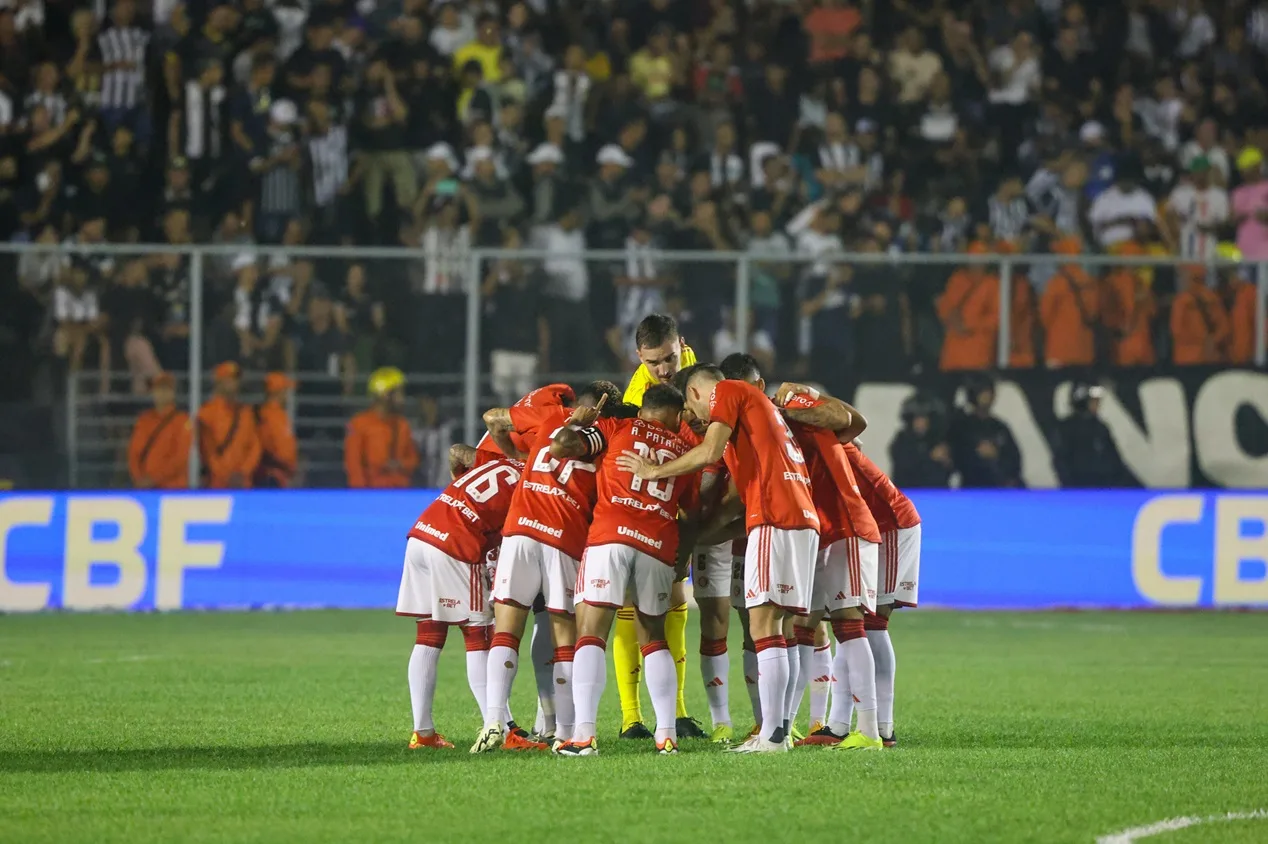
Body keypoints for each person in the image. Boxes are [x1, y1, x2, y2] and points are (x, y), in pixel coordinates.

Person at [616, 365, 820, 753]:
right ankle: (777, 730)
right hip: (800, 517)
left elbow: (708, 450)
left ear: (695, 392)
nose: (698, 422)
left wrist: (654, 470)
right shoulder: (758, 419)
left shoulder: (728, 390)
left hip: (775, 517)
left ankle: (773, 736)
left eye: (693, 414)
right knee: (779, 626)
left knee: (764, 626)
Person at [550, 384, 701, 756]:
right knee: (653, 637)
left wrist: (578, 422)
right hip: (657, 545)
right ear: (675, 413)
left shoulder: (618, 428)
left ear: (646, 409)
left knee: (591, 633)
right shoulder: (685, 452)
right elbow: (694, 512)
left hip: (610, 537)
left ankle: (584, 735)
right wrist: (681, 557)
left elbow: (561, 447)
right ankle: (667, 735)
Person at [472, 380, 622, 754]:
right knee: (564, 636)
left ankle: (494, 722)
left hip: (520, 526)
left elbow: (493, 418)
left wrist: (517, 460)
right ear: (604, 409)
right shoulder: (605, 435)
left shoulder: (549, 416)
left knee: (506, 629)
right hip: (563, 534)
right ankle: (565, 732)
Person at [396, 455, 525, 750]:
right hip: (456, 543)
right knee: (478, 635)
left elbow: (457, 453)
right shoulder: (534, 480)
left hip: (422, 534)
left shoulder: (500, 462)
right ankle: (501, 731)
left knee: (429, 634)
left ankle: (424, 733)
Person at [614, 313, 702, 741]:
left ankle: (679, 710)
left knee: (676, 602)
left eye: (669, 358)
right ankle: (631, 717)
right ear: (639, 358)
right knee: (632, 610)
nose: (664, 369)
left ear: (681, 345)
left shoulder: (697, 372)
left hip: (680, 498)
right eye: (654, 363)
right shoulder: (636, 394)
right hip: (643, 507)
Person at [843, 441, 923, 749]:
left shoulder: (830, 446)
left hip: (891, 525)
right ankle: (853, 724)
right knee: (856, 621)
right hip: (878, 527)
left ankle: (883, 727)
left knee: (872, 621)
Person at [344, 367, 419, 488]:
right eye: (398, 393)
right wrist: (359, 497)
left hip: (401, 492)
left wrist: (399, 465)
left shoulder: (403, 424)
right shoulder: (359, 424)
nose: (402, 399)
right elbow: (354, 466)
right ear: (385, 395)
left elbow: (413, 460)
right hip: (372, 493)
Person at [949, 375, 1023, 488]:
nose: (986, 396)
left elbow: (1015, 460)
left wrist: (996, 455)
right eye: (982, 392)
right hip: (971, 488)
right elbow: (955, 458)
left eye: (989, 392)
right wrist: (976, 454)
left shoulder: (999, 427)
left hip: (999, 488)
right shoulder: (961, 427)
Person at [197, 361, 262, 489]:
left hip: (244, 484)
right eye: (229, 379)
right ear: (219, 382)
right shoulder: (206, 413)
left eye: (236, 380)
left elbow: (255, 446)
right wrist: (226, 476)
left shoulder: (246, 412)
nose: (234, 383)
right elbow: (207, 451)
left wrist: (243, 472)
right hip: (216, 486)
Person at [1052, 383, 1131, 488]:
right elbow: (1060, 460)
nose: (1097, 405)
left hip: (1103, 488)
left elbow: (1114, 459)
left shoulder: (1100, 427)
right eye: (1093, 401)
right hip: (1078, 489)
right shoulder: (1066, 428)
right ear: (1083, 402)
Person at [128, 372, 192, 489]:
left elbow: (180, 459)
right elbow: (134, 453)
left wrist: (152, 479)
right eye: (158, 389)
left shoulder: (183, 421)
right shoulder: (144, 420)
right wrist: (138, 478)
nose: (162, 393)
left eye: (166, 389)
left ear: (173, 393)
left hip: (173, 490)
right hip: (145, 488)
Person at [888, 393, 954, 488]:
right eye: (917, 418)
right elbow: (904, 466)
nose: (920, 422)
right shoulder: (902, 440)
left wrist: (947, 461)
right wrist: (930, 457)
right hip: (908, 493)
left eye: (924, 418)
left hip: (935, 494)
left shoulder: (938, 439)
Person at [1170, 266, 1230, 365]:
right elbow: (1224, 328)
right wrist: (1212, 341)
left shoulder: (1181, 301)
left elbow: (1176, 330)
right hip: (1210, 357)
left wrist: (1202, 341)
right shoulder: (1212, 298)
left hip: (1186, 359)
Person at [255, 372, 298, 488]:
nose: (287, 395)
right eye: (285, 391)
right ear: (278, 391)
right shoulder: (269, 416)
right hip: (273, 477)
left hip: (281, 476)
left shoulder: (276, 415)